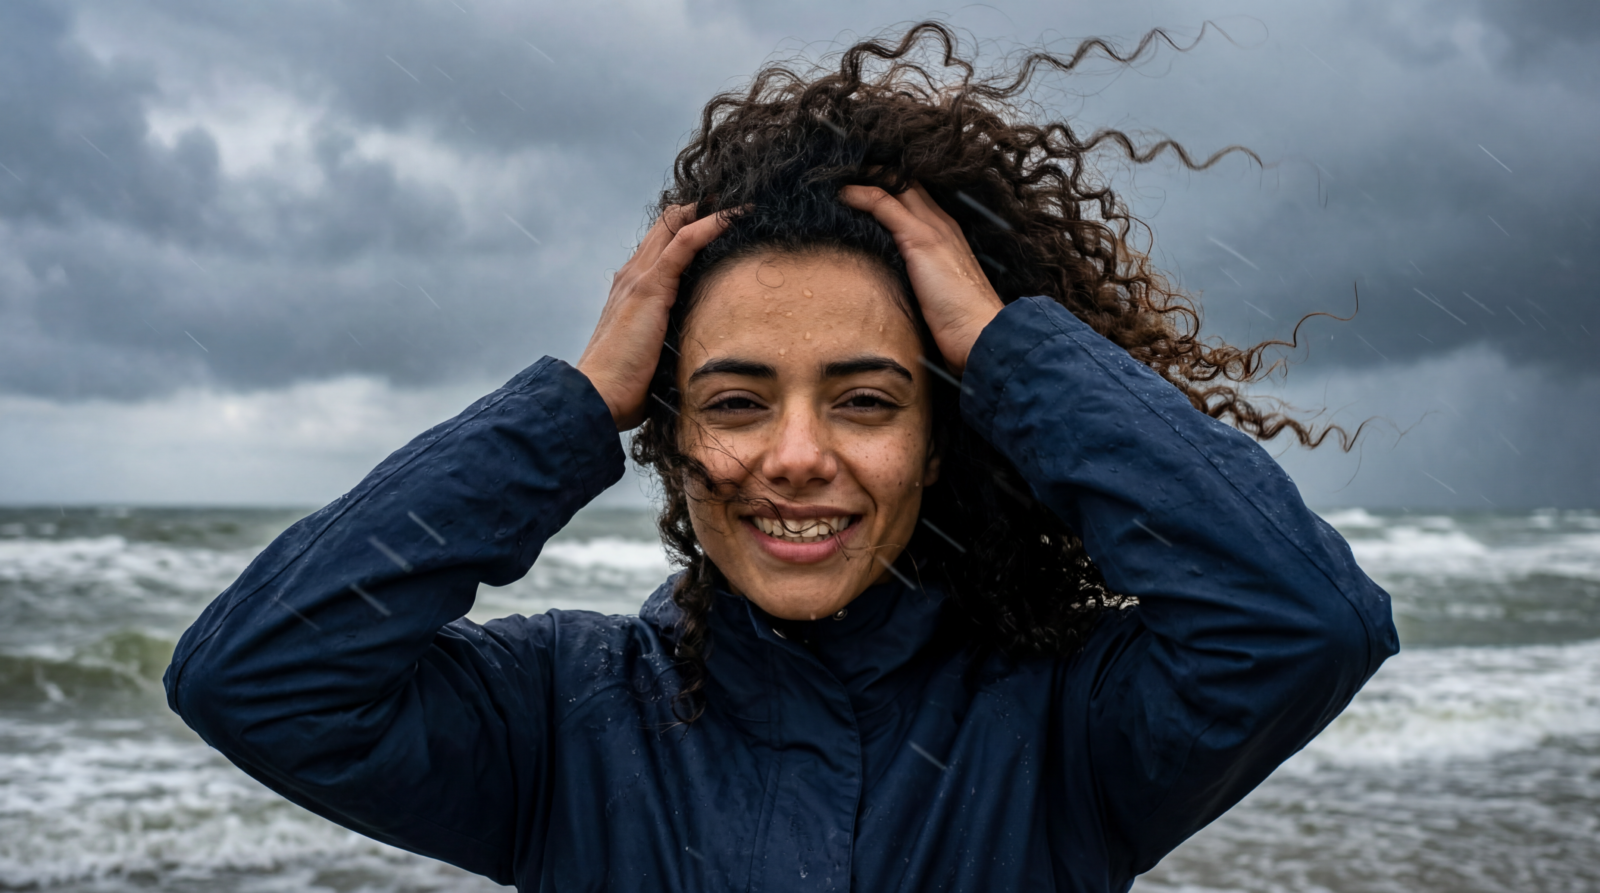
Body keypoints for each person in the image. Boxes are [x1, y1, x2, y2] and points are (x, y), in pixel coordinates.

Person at [165, 23, 1397, 893]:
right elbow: (253, 678)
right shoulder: (560, 718)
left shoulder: (1064, 729)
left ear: (940, 434)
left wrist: (1007, 351)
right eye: (736, 400)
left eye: (864, 399)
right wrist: (577, 402)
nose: (794, 456)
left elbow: (1306, 622)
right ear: (672, 435)